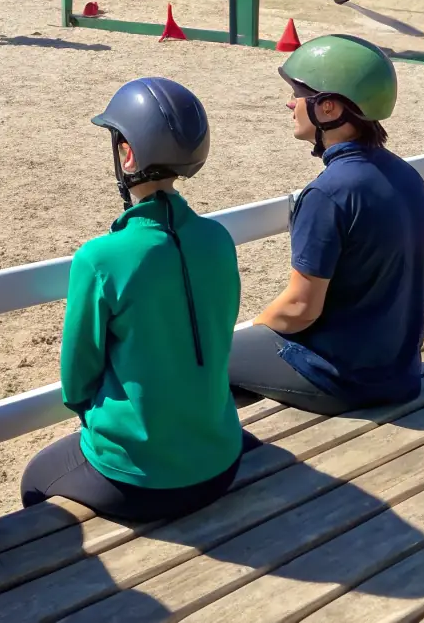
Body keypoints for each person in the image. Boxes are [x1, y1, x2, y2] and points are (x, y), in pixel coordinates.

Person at [20, 78, 257, 521]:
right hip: (222, 461)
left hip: (139, 479)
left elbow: (77, 381)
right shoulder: (218, 239)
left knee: (34, 480)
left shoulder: (100, 258)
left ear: (127, 154)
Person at [229, 34, 424, 416]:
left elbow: (299, 308)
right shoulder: (407, 176)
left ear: (328, 108)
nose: (289, 103)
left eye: (298, 93)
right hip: (401, 373)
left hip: (344, 381)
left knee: (208, 363)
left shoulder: (328, 193)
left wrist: (258, 332)